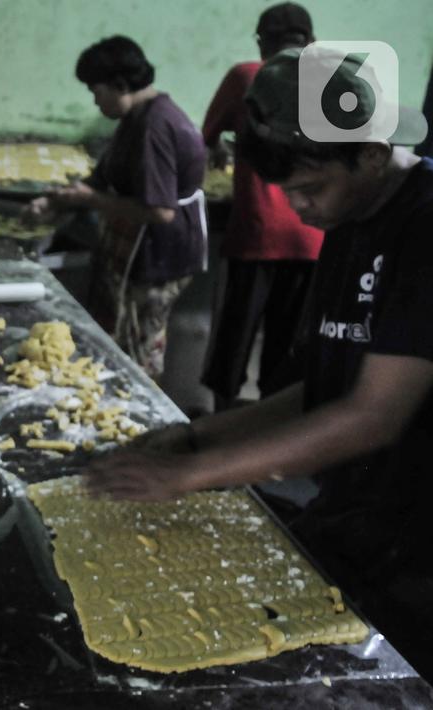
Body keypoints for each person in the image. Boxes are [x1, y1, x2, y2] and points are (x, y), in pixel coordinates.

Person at [87, 47, 433, 674]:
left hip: (420, 543)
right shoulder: (353, 217)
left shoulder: (423, 230)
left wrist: (193, 474)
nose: (299, 209)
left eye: (309, 189)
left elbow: (373, 415)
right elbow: (324, 389)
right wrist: (194, 437)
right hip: (363, 515)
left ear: (373, 154)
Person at [32, 36, 207, 379]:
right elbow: (107, 173)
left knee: (138, 348)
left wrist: (89, 200)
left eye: (96, 91)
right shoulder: (136, 116)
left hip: (157, 253)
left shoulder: (154, 127)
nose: (95, 102)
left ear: (120, 85)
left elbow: (161, 212)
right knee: (116, 339)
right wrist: (60, 198)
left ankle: (145, 425)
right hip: (135, 247)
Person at [201, 3, 323, 409]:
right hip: (313, 236)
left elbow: (208, 136)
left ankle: (220, 425)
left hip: (258, 232)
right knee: (285, 346)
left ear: (260, 43)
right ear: (313, 42)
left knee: (232, 340)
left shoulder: (247, 76)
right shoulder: (329, 82)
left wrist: (222, 150)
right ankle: (265, 437)